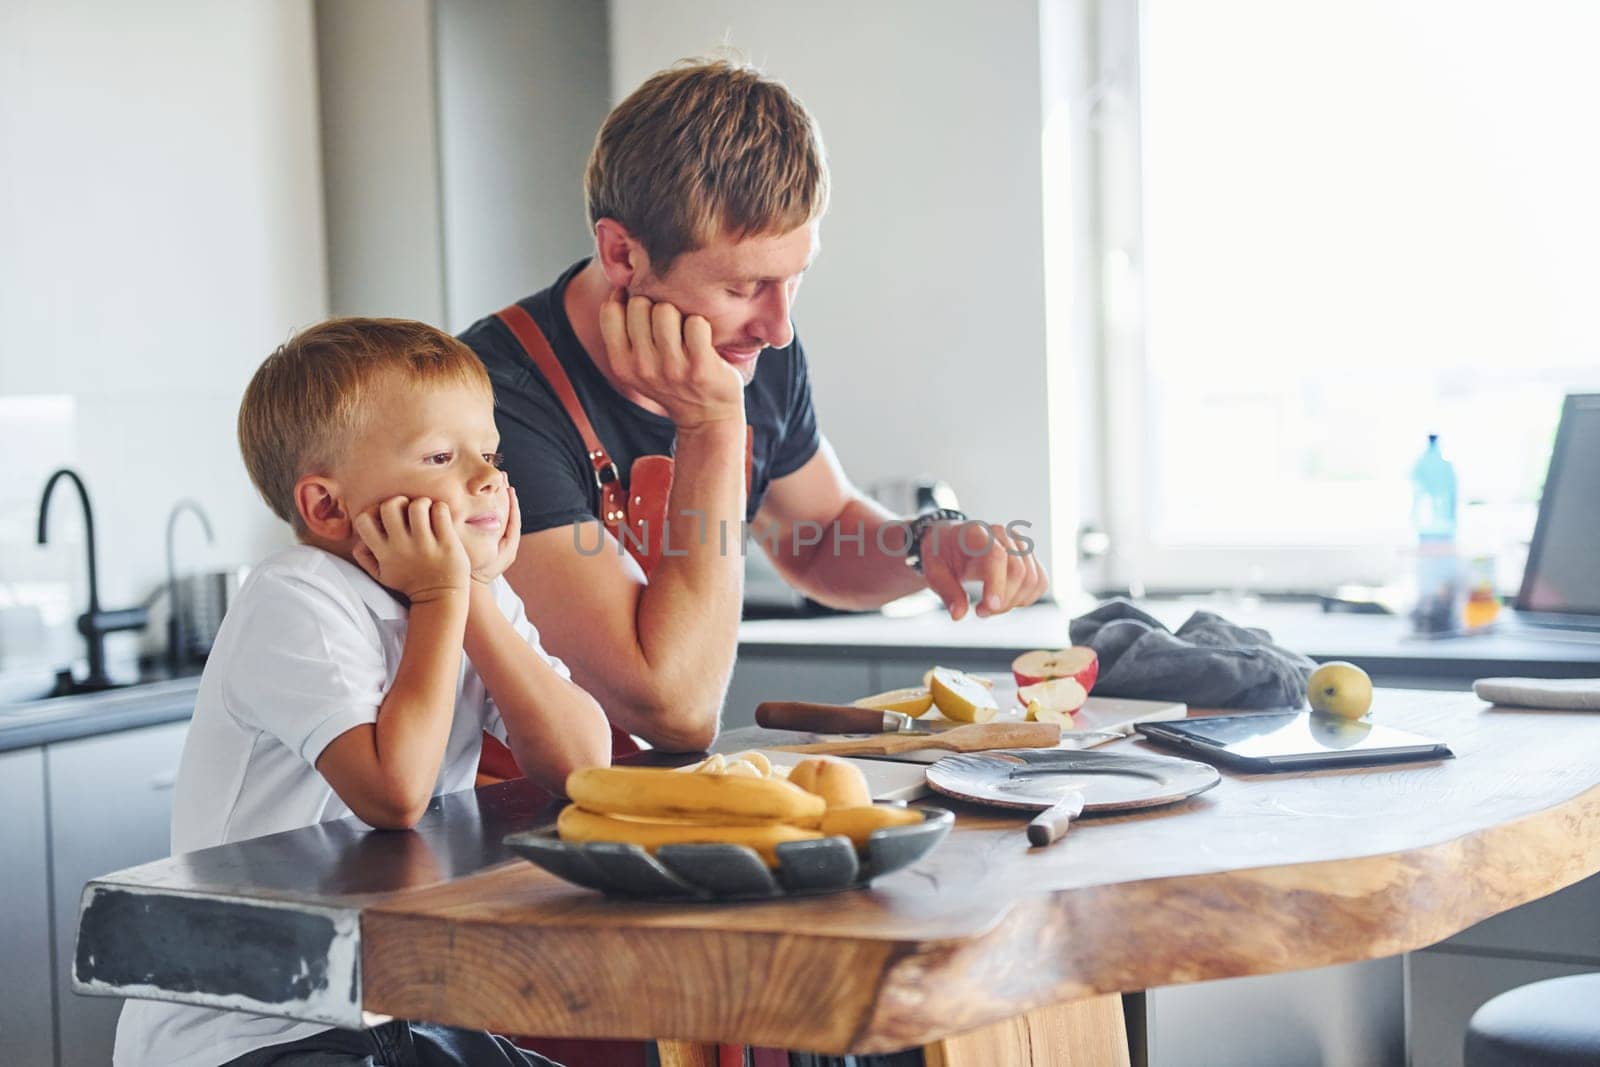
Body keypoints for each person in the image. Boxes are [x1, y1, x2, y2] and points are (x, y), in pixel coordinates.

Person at [460, 59, 1048, 762]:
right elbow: (674, 705)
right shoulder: (491, 404)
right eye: (745, 286)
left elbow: (821, 535)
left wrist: (926, 544)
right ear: (621, 253)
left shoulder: (752, 349)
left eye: (796, 280)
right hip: (503, 825)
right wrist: (711, 426)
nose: (779, 329)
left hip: (659, 809)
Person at [113, 318, 609, 1067]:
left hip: (393, 1008)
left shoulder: (464, 593)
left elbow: (584, 762)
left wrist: (469, 594)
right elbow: (393, 791)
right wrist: (446, 595)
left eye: (491, 452)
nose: (486, 477)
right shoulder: (296, 598)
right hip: (254, 1026)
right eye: (442, 456)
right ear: (326, 508)